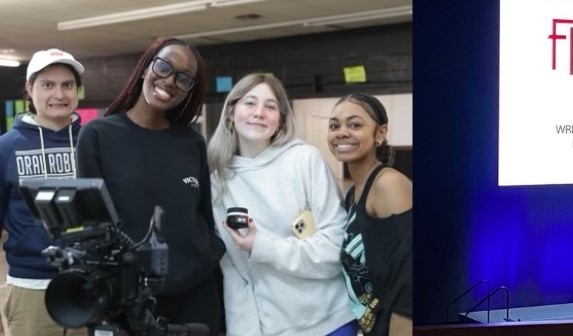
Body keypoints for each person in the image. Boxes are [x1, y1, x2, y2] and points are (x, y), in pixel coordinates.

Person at [75, 37, 225, 334]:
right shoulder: (98, 135)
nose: (170, 80)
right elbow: (92, 227)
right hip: (127, 297)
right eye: (164, 67)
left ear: (188, 91)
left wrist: (210, 256)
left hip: (195, 294)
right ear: (145, 69)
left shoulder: (191, 142)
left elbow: (204, 215)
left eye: (183, 78)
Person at [207, 73, 356, 336]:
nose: (259, 112)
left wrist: (262, 246)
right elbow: (234, 272)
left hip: (328, 322)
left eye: (271, 106)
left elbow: (335, 250)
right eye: (250, 103)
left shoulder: (304, 160)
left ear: (281, 120)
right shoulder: (218, 183)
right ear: (231, 112)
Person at [0, 48, 86, 335]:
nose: (59, 94)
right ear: (29, 89)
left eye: (68, 85)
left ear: (77, 91)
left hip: (91, 285)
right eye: (47, 85)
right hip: (30, 288)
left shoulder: (95, 143)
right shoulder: (6, 148)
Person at [327, 93, 413, 336]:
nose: (341, 132)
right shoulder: (352, 193)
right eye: (335, 125)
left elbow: (408, 284)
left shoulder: (389, 185)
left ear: (380, 133)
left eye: (354, 124)